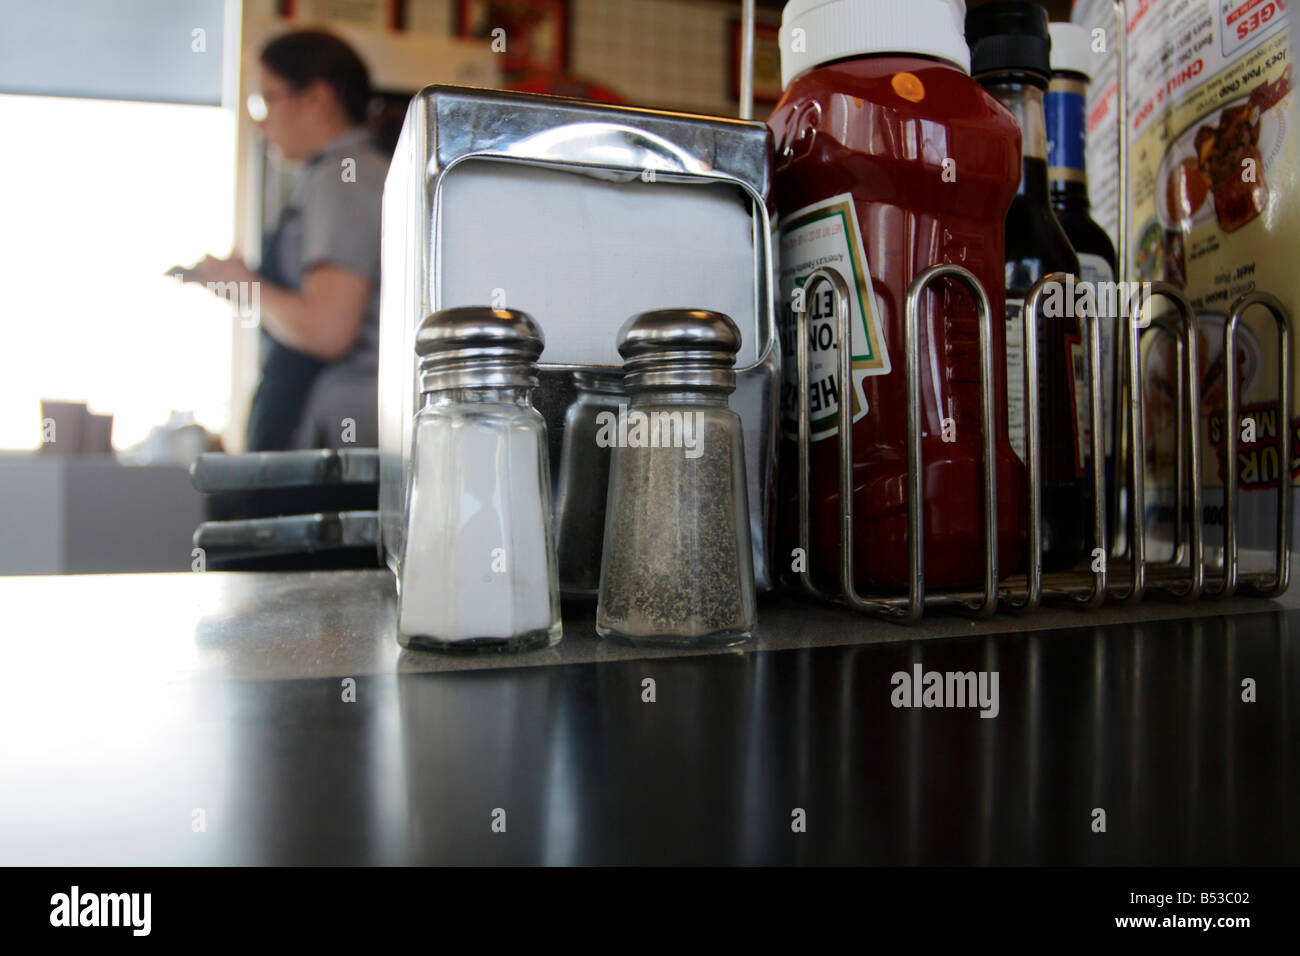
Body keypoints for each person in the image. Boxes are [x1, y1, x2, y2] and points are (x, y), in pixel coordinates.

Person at [179, 30, 387, 450]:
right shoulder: (337, 173)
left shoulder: (345, 177)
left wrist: (242, 284)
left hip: (336, 442)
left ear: (317, 98)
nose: (260, 120)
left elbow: (328, 329)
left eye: (266, 100)